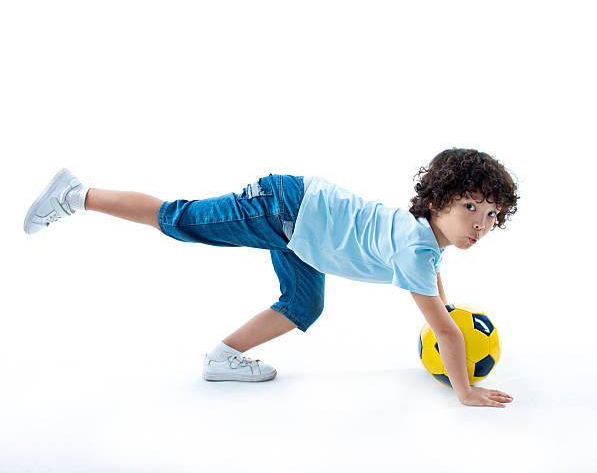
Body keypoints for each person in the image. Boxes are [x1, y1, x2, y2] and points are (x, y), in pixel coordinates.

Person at [23, 147, 518, 408]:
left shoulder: (425, 243)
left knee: (304, 304)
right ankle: (77, 194)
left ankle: (224, 357)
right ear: (436, 201)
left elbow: (438, 298)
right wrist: (464, 391)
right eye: (470, 207)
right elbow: (446, 327)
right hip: (283, 210)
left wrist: (446, 316)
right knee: (178, 219)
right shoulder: (416, 249)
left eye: (492, 215)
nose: (480, 223)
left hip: (301, 231)